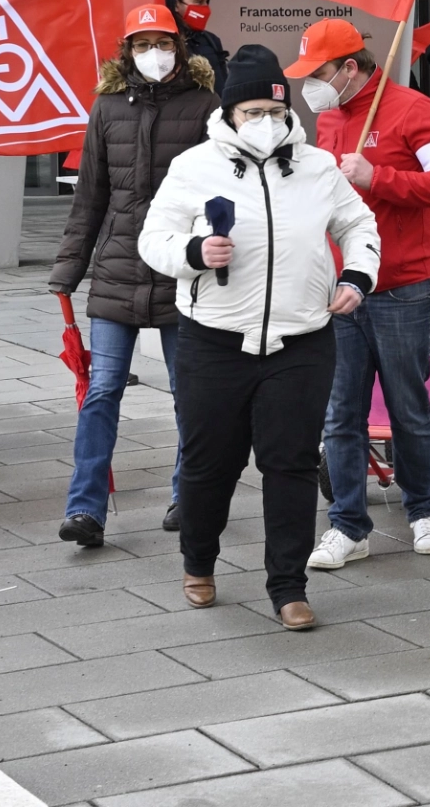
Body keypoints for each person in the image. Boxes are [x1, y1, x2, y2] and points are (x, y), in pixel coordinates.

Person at [138, 45, 379, 632]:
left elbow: (357, 222)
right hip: (214, 341)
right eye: (251, 112)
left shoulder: (318, 165)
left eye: (274, 110)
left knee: (291, 464)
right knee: (208, 463)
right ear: (230, 114)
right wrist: (194, 253)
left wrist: (358, 274)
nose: (265, 122)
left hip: (302, 342)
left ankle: (288, 586)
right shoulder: (195, 166)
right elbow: (154, 239)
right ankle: (199, 562)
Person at [290, 19, 430, 568]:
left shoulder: (416, 110)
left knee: (407, 408)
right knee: (341, 414)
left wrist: (378, 176)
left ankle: (425, 511)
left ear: (350, 67)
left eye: (318, 73)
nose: (311, 86)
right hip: (341, 289)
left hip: (402, 288)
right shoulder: (327, 119)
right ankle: (348, 525)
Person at [49, 4, 220, 547]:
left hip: (181, 269)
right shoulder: (106, 109)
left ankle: (187, 496)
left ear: (180, 48)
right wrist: (68, 268)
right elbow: (90, 197)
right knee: (100, 390)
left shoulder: (206, 108)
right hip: (118, 269)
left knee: (187, 393)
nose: (154, 53)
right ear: (127, 52)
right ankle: (85, 510)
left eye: (163, 43)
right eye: (143, 44)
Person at [162, 0, 230, 94]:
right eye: (198, 2)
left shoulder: (211, 40)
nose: (205, 8)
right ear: (175, 4)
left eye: (206, 2)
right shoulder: (162, 45)